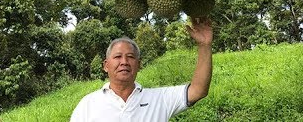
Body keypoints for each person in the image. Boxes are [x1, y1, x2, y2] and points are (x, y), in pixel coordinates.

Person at [70, 17, 213, 122]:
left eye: (130, 57)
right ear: (106, 65)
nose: (124, 62)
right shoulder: (88, 105)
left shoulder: (159, 99)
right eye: (118, 56)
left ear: (139, 65)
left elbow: (198, 90)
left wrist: (204, 45)